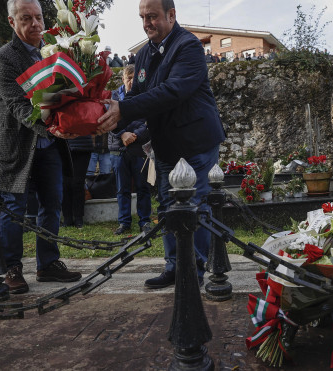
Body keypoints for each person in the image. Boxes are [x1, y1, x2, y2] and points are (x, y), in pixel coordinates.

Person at [97, 0, 226, 289]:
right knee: (168, 206)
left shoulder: (188, 46)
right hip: (166, 147)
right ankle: (174, 267)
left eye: (152, 16)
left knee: (197, 206)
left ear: (171, 15)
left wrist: (123, 111)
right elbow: (135, 99)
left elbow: (173, 92)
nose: (146, 23)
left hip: (196, 144)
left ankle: (196, 268)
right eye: (142, 17)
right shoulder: (143, 55)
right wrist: (104, 116)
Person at [0, 0, 82, 294]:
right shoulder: (3, 59)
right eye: (26, 18)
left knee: (52, 203)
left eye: (39, 17)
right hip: (15, 144)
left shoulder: (59, 50)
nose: (35, 24)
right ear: (11, 22)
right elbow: (19, 106)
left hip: (48, 145)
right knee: (13, 208)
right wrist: (56, 127)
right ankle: (11, 268)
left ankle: (48, 263)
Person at [109, 64, 152, 236]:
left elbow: (148, 121)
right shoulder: (113, 96)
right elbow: (108, 120)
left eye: (135, 78)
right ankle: (124, 222)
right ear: (123, 79)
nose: (132, 81)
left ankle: (145, 221)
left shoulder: (145, 96)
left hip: (138, 146)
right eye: (129, 78)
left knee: (143, 187)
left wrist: (133, 134)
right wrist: (122, 133)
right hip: (118, 148)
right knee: (122, 188)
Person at [61, 134, 94, 228]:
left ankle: (78, 218)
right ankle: (67, 218)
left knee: (78, 183)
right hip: (64, 145)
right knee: (65, 183)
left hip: (82, 146)